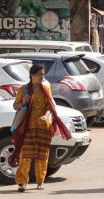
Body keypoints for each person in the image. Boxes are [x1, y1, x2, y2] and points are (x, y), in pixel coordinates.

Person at [11, 64, 71, 192]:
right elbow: (15, 106)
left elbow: (50, 106)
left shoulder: (46, 88)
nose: (42, 77)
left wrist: (45, 116)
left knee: (42, 155)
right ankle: (22, 182)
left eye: (43, 74)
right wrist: (23, 102)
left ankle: (40, 181)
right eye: (40, 74)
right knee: (25, 155)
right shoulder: (24, 89)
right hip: (27, 127)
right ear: (32, 75)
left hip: (43, 126)